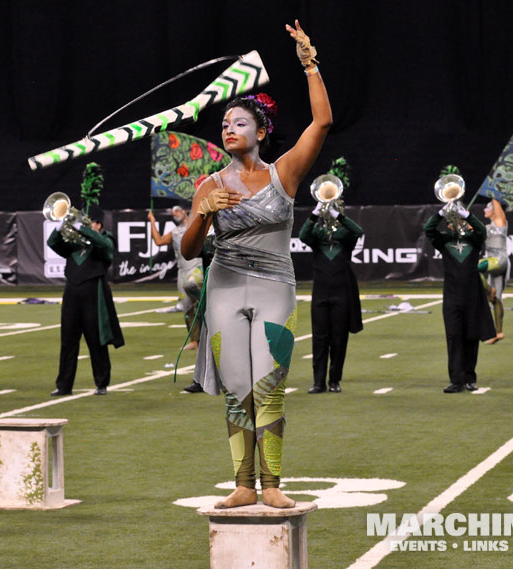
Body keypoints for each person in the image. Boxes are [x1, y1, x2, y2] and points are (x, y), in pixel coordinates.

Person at [181, 20, 331, 509]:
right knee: (237, 388)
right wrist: (202, 216)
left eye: (239, 122)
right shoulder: (210, 185)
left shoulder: (282, 174)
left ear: (262, 131)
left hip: (274, 287)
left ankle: (273, 486)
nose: (228, 128)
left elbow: (322, 123)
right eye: (224, 124)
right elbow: (187, 251)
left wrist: (309, 64)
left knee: (268, 385)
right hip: (224, 286)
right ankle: (243, 484)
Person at [424, 178, 496, 393]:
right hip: (452, 294)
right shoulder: (444, 241)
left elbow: (482, 231)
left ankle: (470, 378)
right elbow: (428, 229)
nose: (455, 222)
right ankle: (456, 380)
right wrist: (441, 212)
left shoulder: (474, 239)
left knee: (471, 336)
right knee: (454, 336)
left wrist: (467, 214)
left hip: (473, 293)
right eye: (452, 219)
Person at [48, 209, 124, 396]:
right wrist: (60, 227)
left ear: (99, 225)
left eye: (93, 223)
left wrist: (83, 229)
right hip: (72, 291)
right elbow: (52, 243)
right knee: (68, 339)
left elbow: (104, 247)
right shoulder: (73, 242)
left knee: (96, 338)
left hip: (94, 291)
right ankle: (64, 385)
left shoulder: (106, 239)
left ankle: (101, 383)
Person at [299, 197, 363, 393]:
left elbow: (358, 231)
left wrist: (339, 217)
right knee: (319, 339)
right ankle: (318, 382)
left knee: (338, 339)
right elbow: (303, 235)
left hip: (341, 294)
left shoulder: (345, 236)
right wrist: (314, 215)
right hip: (320, 294)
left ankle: (334, 380)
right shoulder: (317, 236)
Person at [148, 206, 204, 350]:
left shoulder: (195, 226)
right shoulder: (174, 232)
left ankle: (208, 336)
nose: (175, 214)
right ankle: (195, 340)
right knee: (187, 308)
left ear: (185, 211)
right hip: (182, 272)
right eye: (172, 213)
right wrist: (152, 222)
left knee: (203, 304)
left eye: (177, 211)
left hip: (197, 269)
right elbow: (159, 241)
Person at [479, 198, 510, 344]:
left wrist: (492, 189)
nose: (484, 211)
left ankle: (488, 290)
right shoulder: (487, 226)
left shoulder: (500, 222)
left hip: (500, 260)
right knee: (496, 299)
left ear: (493, 210)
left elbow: (496, 200)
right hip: (492, 262)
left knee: (472, 268)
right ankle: (498, 332)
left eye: (487, 208)